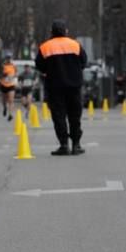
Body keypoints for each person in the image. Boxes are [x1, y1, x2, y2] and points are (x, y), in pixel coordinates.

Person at [35, 19, 87, 156]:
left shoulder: (45, 47)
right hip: (74, 86)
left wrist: (50, 71)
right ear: (66, 31)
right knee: (75, 115)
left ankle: (64, 145)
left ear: (51, 32)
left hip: (55, 87)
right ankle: (76, 144)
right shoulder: (75, 45)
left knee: (59, 116)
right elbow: (83, 62)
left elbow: (39, 65)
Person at [0, 56, 17, 121]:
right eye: (7, 59)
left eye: (9, 59)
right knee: (4, 100)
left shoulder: (13, 66)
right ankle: (5, 107)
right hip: (4, 84)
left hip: (11, 85)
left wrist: (13, 76)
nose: (9, 60)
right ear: (5, 59)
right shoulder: (3, 66)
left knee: (11, 100)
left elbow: (16, 74)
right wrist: (4, 75)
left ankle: (10, 114)